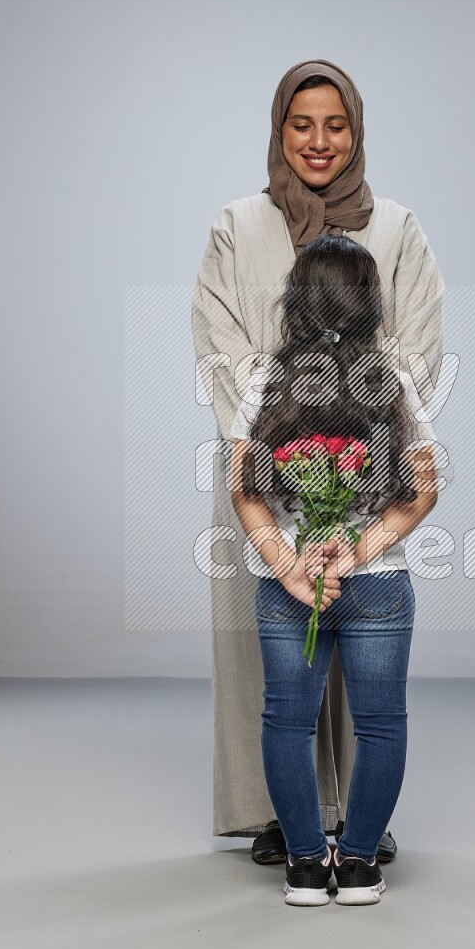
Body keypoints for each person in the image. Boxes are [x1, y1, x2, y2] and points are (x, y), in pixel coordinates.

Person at [191, 58, 445, 862]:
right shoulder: (239, 222)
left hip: (368, 469)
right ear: (279, 129)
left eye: (336, 124)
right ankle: (282, 813)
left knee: (362, 639)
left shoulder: (397, 226)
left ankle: (353, 815)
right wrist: (273, 435)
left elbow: (417, 341)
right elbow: (219, 335)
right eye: (301, 124)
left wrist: (365, 429)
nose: (318, 140)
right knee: (274, 662)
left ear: (356, 130)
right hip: (266, 472)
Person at [228, 233, 441, 905]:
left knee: (286, 720)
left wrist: (291, 564)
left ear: (295, 302)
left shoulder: (264, 379)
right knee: (380, 723)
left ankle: (301, 867)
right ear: (367, 303)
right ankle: (356, 868)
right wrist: (360, 550)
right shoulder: (394, 378)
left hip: (285, 588)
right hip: (377, 586)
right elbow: (424, 488)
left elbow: (245, 489)